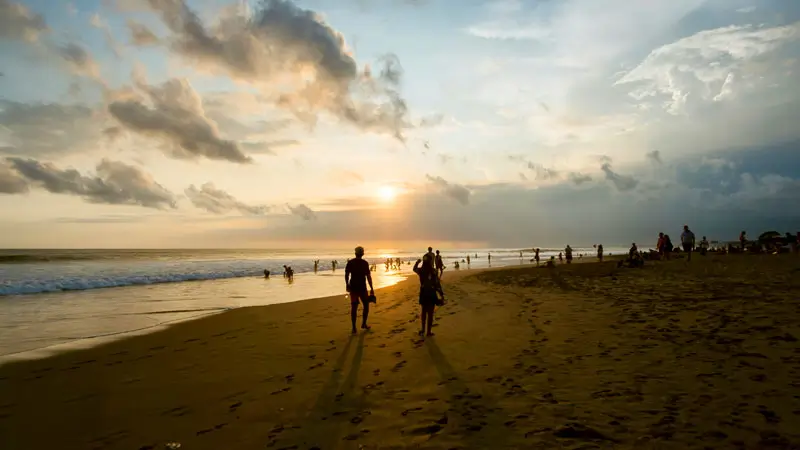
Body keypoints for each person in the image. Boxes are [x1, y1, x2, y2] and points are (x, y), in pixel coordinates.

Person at [413, 253, 444, 338]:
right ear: (430, 262)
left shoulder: (421, 270)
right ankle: (428, 332)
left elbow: (414, 269)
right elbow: (437, 284)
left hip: (423, 292)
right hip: (431, 293)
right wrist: (441, 294)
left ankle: (423, 329)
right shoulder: (433, 271)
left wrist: (417, 262)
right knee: (430, 313)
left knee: (423, 312)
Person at [345, 246, 374, 334]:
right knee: (366, 305)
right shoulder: (365, 263)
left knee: (354, 307)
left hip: (353, 287)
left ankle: (354, 328)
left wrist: (347, 284)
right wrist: (372, 288)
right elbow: (368, 277)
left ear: (355, 253)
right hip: (362, 287)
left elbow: (346, 275)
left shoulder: (350, 262)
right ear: (362, 254)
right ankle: (363, 324)